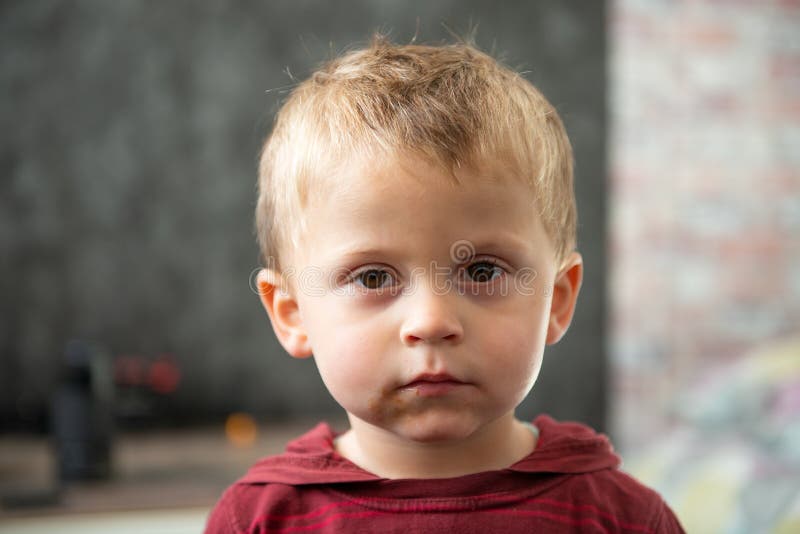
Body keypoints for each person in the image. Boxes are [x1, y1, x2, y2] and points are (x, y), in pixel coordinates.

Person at [205, 33, 685, 533]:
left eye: (482, 272)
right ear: (293, 313)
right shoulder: (258, 522)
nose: (431, 322)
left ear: (557, 300)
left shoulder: (624, 520)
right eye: (373, 276)